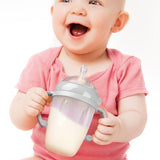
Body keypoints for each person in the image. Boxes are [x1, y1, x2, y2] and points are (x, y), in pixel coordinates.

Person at [10, 0, 148, 159]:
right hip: (47, 157)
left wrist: (120, 128)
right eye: (66, 0)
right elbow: (20, 121)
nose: (77, 9)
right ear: (53, 11)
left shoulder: (125, 67)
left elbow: (136, 116)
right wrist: (27, 106)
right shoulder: (42, 63)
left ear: (117, 22)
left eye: (94, 2)